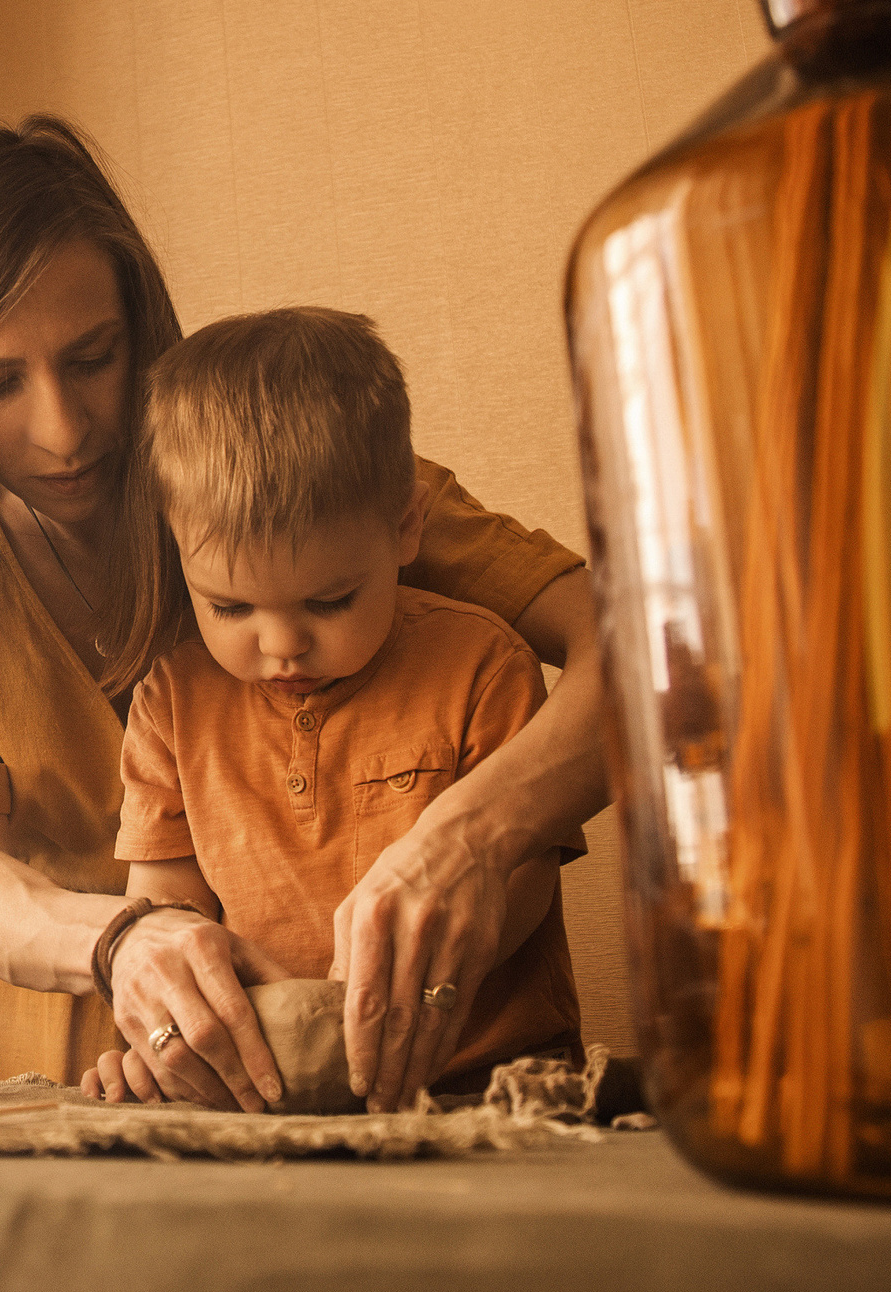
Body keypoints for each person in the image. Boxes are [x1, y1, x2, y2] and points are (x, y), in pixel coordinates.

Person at [0, 116, 605, 1114]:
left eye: (93, 358)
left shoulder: (294, 472)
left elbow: (643, 661)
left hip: (340, 1071)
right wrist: (121, 939)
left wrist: (475, 836)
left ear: (138, 328)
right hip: (62, 1076)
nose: (61, 431)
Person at [83, 308, 582, 1107]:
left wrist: (383, 985)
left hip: (488, 1086)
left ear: (406, 527)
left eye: (330, 599)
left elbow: (514, 887)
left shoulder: (483, 664)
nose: (282, 645)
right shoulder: (171, 701)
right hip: (268, 1098)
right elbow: (169, 914)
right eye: (230, 607)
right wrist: (162, 1035)